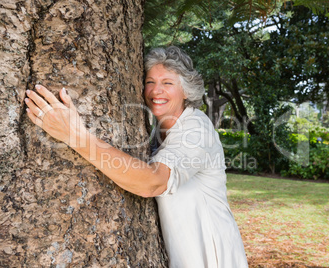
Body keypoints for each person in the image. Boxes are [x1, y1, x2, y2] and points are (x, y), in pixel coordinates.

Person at [25, 46, 248, 267]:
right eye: (150, 82)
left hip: (213, 256)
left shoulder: (196, 130)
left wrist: (75, 136)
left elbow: (152, 182)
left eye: (167, 83)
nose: (155, 91)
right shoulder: (157, 131)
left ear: (187, 91)